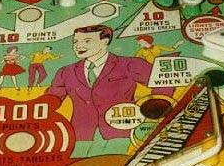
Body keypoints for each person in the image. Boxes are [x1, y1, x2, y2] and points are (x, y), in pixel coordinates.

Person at [47, 25, 173, 157]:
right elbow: (51, 100)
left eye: (87, 41)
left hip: (120, 134)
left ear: (105, 41)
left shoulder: (129, 64)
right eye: (76, 42)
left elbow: (163, 83)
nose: (78, 46)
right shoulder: (66, 72)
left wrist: (152, 113)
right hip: (81, 136)